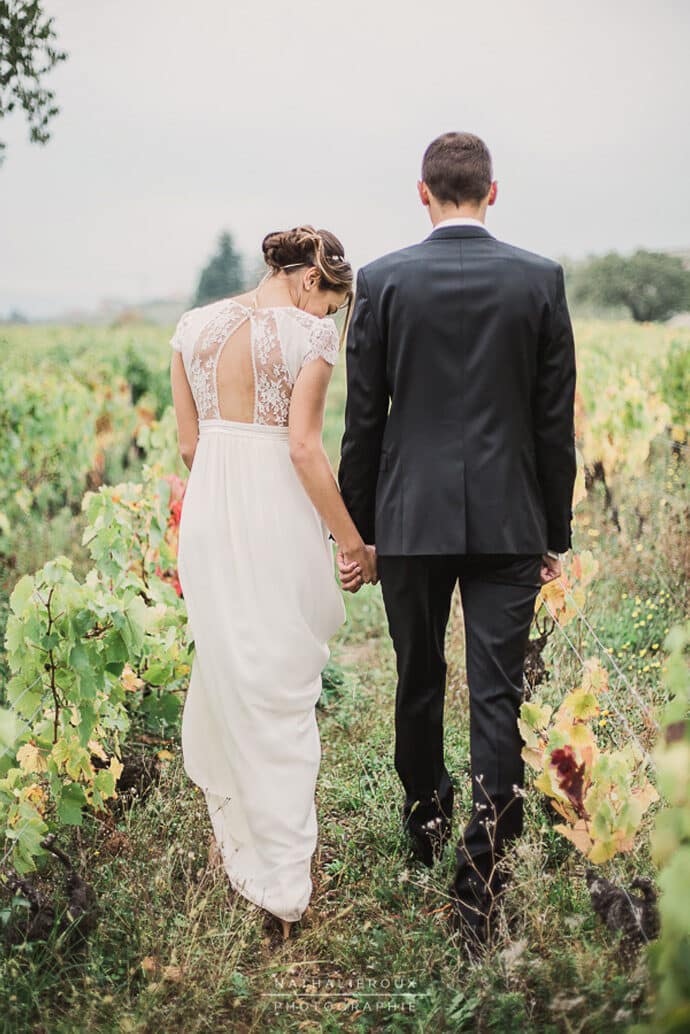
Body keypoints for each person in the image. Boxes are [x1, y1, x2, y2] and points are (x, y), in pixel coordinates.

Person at [338, 132, 577, 948]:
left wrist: (359, 532)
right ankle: (480, 881)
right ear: (493, 192)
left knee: (418, 677)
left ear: (423, 192)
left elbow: (362, 419)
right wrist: (556, 530)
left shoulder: (385, 280)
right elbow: (554, 421)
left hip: (408, 521)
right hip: (511, 521)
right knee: (497, 695)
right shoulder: (540, 280)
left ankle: (426, 825)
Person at [169, 226, 377, 941]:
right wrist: (352, 543)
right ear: (310, 280)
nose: (327, 321)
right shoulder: (308, 339)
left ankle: (252, 857)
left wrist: (222, 505)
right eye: (330, 305)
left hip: (207, 521)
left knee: (233, 680)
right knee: (283, 695)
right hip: (274, 519)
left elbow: (191, 445)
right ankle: (283, 892)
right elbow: (303, 447)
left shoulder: (192, 327)